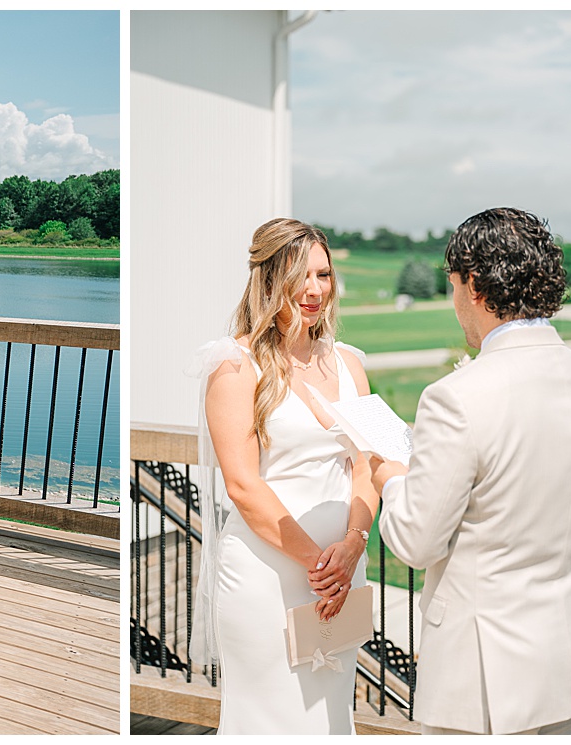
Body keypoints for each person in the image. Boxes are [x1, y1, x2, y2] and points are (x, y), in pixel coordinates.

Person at [369, 207, 571, 735]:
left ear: (474, 285)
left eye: (454, 285)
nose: (455, 302)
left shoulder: (455, 398)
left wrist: (388, 477)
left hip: (481, 683)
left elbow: (416, 540)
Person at [189, 218, 375, 734]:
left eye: (324, 274)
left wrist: (353, 547)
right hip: (268, 576)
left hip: (341, 573)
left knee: (331, 717)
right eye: (301, 276)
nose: (315, 290)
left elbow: (367, 467)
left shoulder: (349, 364)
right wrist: (320, 564)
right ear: (269, 279)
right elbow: (243, 486)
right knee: (270, 718)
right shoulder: (235, 366)